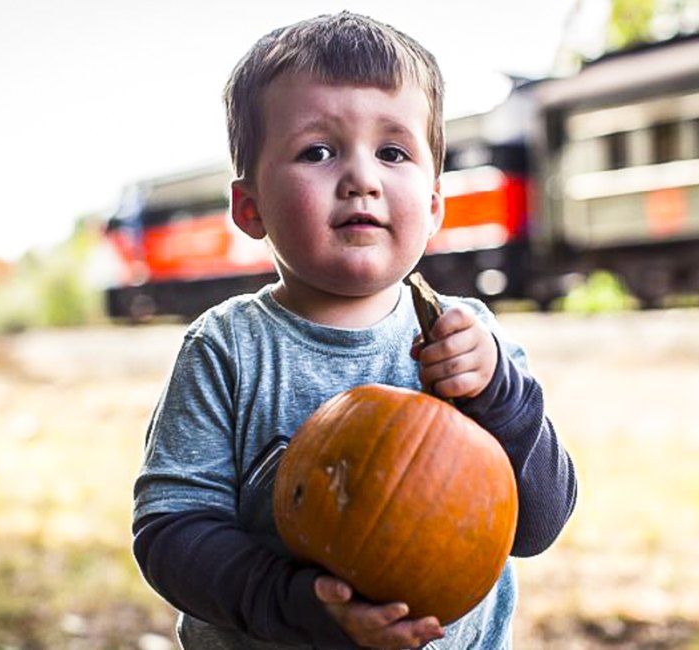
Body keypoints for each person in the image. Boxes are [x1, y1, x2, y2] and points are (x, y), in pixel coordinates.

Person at [132, 11, 577, 650]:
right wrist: (298, 604)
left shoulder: (472, 339)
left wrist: (499, 398)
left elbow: (538, 524)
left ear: (433, 206)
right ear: (249, 207)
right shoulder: (228, 350)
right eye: (318, 151)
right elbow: (172, 533)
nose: (362, 178)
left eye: (393, 152)